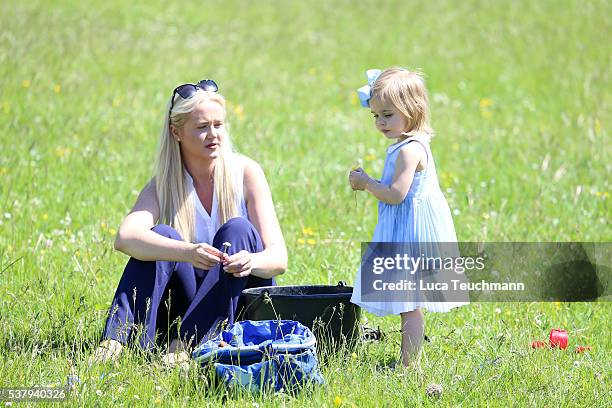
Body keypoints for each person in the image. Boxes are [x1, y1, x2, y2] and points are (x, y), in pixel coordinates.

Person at [94, 79, 287, 364]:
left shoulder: (245, 172)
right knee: (162, 235)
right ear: (177, 132)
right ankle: (113, 342)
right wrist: (186, 251)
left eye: (218, 125)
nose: (213, 135)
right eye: (202, 127)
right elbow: (126, 237)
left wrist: (250, 261)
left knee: (238, 229)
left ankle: (184, 344)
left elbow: (278, 258)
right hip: (184, 301)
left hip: (237, 301)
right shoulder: (165, 183)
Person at [348, 68, 468, 369]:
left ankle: (408, 365)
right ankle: (407, 361)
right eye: (375, 116)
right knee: (407, 303)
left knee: (409, 304)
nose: (380, 123)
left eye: (387, 115)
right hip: (407, 227)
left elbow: (396, 194)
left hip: (411, 233)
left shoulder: (409, 151)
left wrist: (366, 183)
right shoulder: (409, 145)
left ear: (411, 111)